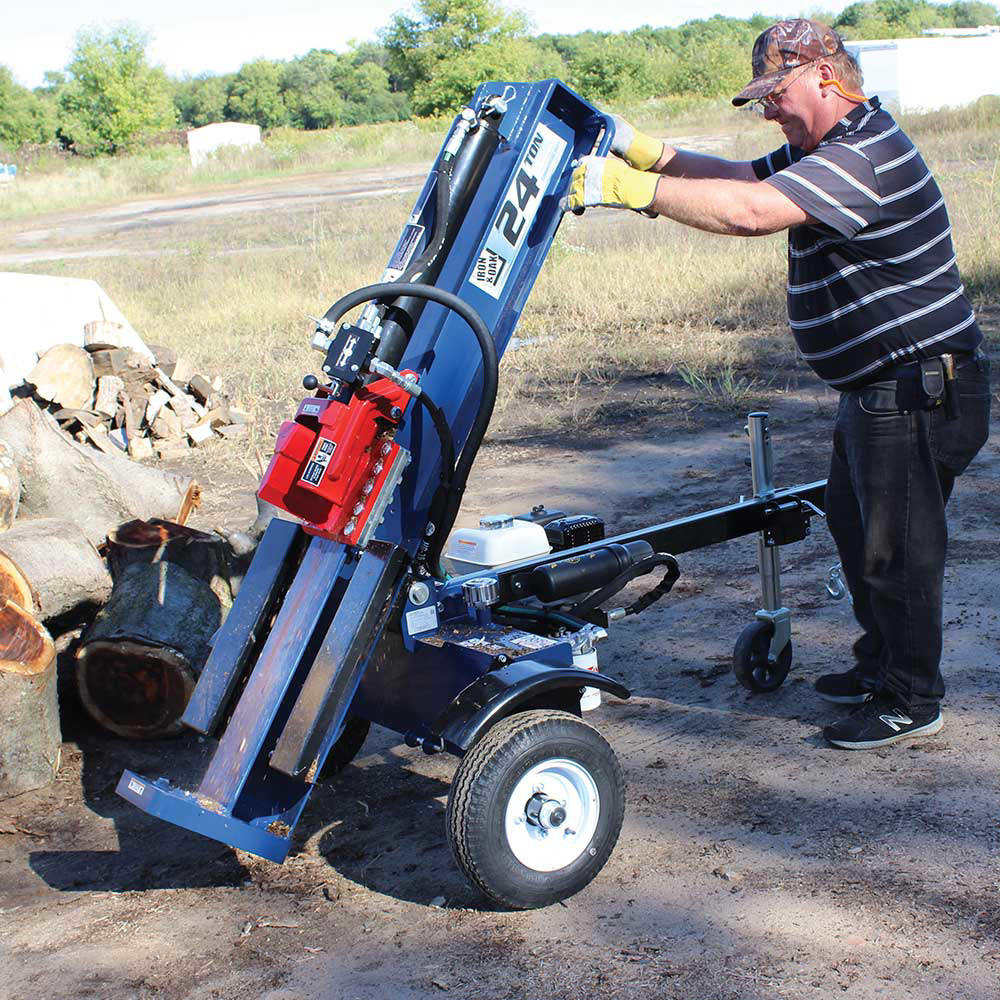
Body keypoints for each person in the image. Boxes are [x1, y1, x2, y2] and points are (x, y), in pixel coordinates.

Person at [565, 18, 991, 750]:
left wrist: (631, 189)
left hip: (917, 390)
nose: (767, 109)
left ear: (823, 76)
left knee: (898, 551)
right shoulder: (822, 149)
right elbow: (739, 178)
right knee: (860, 538)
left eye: (775, 92)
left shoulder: (866, 153)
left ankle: (913, 698)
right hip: (880, 389)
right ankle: (881, 667)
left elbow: (751, 213)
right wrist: (653, 153)